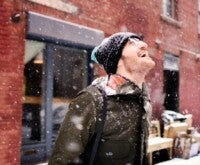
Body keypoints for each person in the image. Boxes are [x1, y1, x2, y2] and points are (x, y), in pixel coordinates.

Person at [48, 32, 155, 165]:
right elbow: (62, 161)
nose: (144, 45)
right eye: (131, 42)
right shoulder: (92, 99)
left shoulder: (142, 100)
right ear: (117, 59)